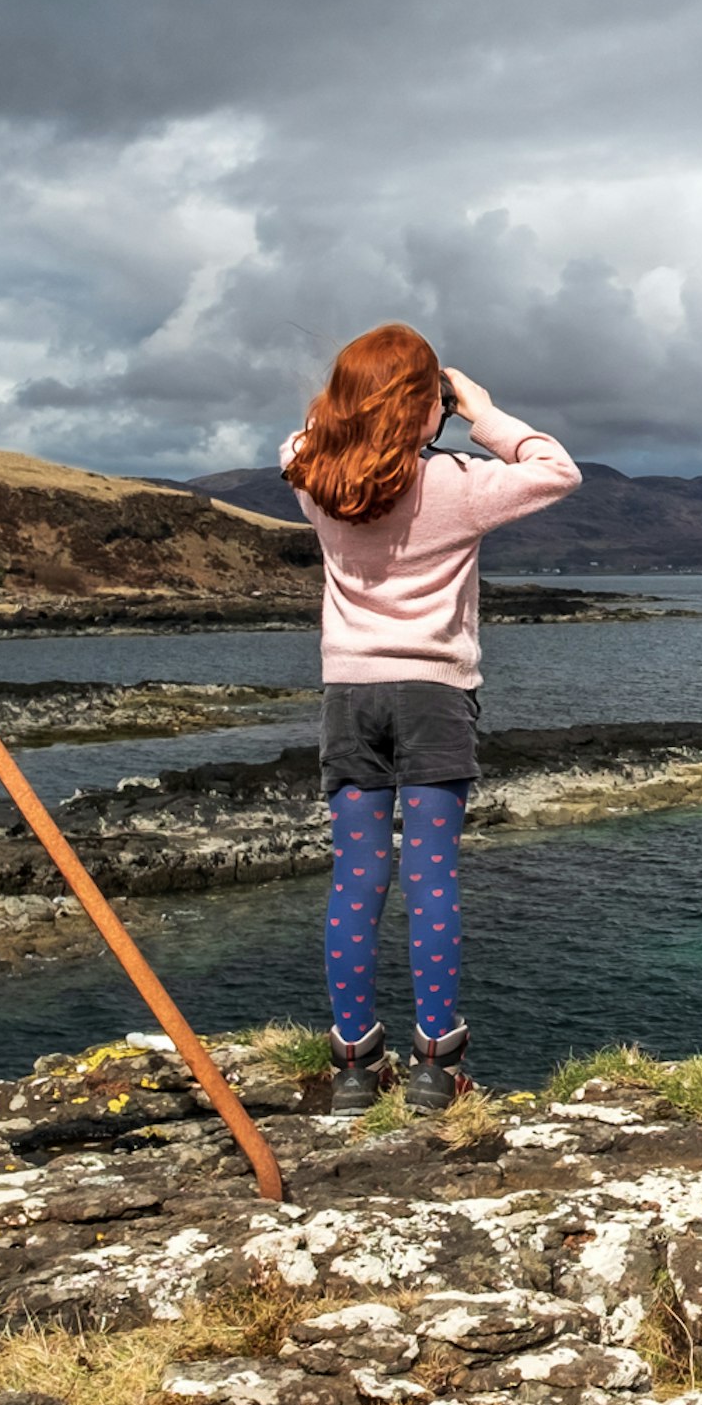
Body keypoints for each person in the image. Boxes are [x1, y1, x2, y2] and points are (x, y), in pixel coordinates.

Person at [278, 322, 579, 1114]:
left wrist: (359, 408)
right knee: (431, 876)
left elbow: (299, 439)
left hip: (350, 694)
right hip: (435, 695)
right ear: (428, 407)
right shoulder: (456, 483)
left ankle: (351, 1068)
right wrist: (479, 409)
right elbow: (557, 470)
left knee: (356, 876)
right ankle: (436, 1070)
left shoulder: (314, 476)